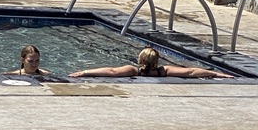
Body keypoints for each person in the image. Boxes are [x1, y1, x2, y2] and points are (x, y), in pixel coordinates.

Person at [69, 46, 233, 79]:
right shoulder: (164, 71)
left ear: (140, 60)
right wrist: (216, 73)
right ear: (157, 61)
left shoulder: (133, 71)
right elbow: (191, 72)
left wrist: (85, 72)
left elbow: (111, 71)